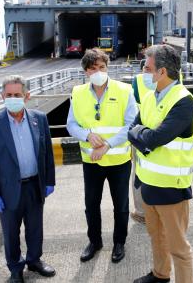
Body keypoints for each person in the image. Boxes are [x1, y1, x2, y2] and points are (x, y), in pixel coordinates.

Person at [129, 45, 193, 283]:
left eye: (147, 68)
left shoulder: (183, 102)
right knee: (156, 237)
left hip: (172, 188)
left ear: (161, 72)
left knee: (178, 246)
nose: (144, 73)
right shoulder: (150, 97)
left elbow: (155, 138)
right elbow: (134, 130)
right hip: (148, 183)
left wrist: (145, 136)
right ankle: (160, 275)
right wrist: (145, 137)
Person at [0, 75, 56, 283]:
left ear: (26, 96)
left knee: (35, 228)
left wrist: (49, 181)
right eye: (9, 95)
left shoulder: (39, 119)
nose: (12, 98)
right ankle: (15, 267)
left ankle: (34, 260)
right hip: (7, 190)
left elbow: (47, 154)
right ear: (3, 96)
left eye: (17, 94)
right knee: (11, 233)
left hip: (34, 185)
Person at [66, 48, 137, 264]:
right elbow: (71, 124)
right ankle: (94, 242)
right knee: (91, 204)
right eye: (93, 68)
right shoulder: (77, 93)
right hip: (91, 161)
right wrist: (87, 135)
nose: (98, 71)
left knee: (121, 205)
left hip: (118, 160)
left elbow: (131, 124)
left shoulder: (125, 90)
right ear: (86, 72)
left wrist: (106, 144)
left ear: (107, 67)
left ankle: (119, 242)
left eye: (102, 67)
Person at [129, 62, 157, 224]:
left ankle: (141, 212)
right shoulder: (175, 78)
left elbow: (133, 107)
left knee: (138, 171)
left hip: (141, 132)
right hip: (165, 131)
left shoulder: (138, 80)